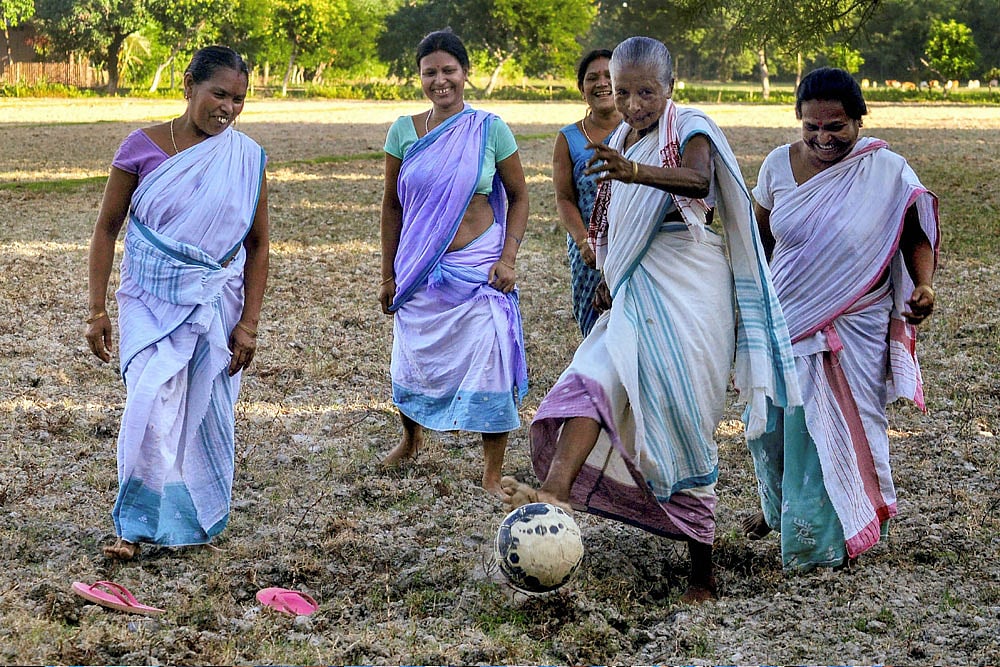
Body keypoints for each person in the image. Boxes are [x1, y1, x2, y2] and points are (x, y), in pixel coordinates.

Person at [500, 36, 799, 602]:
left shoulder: (690, 128)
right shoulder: (617, 139)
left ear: (670, 87)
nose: (635, 103)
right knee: (596, 377)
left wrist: (635, 169)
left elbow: (698, 181)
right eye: (624, 91)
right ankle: (555, 491)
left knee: (682, 415)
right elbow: (613, 223)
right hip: (634, 289)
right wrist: (611, 279)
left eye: (647, 92)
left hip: (690, 287)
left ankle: (702, 573)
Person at [742, 67, 939, 571]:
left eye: (836, 127)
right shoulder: (776, 166)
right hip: (785, 317)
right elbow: (758, 237)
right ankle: (783, 512)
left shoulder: (888, 171)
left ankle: (823, 545)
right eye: (811, 127)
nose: (823, 139)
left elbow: (915, 234)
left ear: (859, 120)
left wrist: (923, 284)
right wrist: (749, 300)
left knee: (828, 431)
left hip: (855, 325)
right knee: (771, 430)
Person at [85, 45, 269, 560]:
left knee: (200, 408)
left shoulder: (246, 158)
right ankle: (134, 524)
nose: (227, 109)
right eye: (218, 94)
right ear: (188, 85)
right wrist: (96, 309)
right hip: (148, 298)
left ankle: (187, 514)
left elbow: (257, 246)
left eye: (238, 100)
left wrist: (248, 325)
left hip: (215, 305)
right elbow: (106, 228)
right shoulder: (140, 147)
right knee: (148, 399)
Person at [378, 29, 529, 497]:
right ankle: (411, 438)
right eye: (430, 73)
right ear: (419, 77)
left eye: (449, 71)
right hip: (419, 266)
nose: (440, 81)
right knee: (415, 355)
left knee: (491, 356)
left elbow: (521, 195)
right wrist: (388, 273)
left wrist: (508, 258)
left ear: (465, 74)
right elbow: (391, 207)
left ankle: (491, 471)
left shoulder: (489, 128)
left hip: (480, 267)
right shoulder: (404, 130)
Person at [552, 48, 622, 337]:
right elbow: (565, 198)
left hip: (637, 243)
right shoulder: (568, 138)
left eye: (609, 75)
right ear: (582, 89)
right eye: (592, 78)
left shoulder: (643, 131)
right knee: (595, 331)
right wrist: (584, 242)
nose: (601, 83)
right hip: (590, 252)